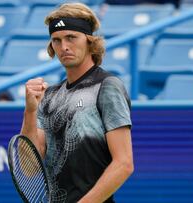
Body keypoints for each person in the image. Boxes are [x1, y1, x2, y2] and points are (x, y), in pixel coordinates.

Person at [21, 3, 133, 203]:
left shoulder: (107, 86)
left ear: (90, 41)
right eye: (56, 40)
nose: (64, 47)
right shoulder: (50, 96)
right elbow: (29, 169)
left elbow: (124, 164)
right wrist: (30, 111)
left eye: (71, 37)